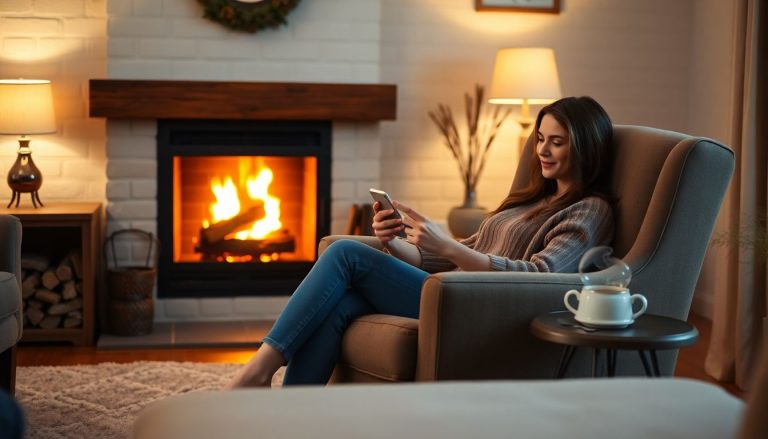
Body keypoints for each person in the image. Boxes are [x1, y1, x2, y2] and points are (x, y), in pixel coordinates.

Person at [224, 95, 615, 388]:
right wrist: (395, 243)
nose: (542, 150)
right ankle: (293, 412)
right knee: (343, 300)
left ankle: (258, 371)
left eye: (557, 142)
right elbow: (456, 255)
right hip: (453, 290)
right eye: (540, 139)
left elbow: (541, 275)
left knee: (345, 254)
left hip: (485, 309)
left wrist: (449, 246)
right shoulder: (531, 198)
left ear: (584, 146)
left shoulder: (589, 209)